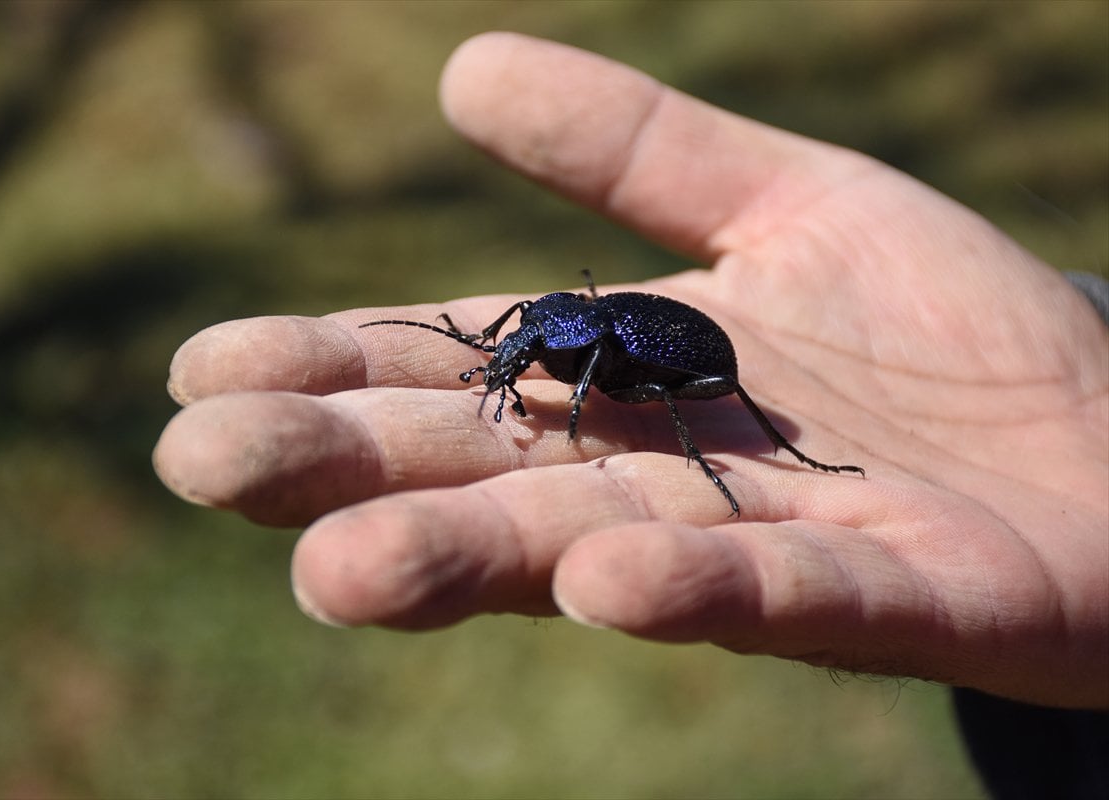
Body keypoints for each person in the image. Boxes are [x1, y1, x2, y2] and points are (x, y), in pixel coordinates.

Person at [153, 31, 1107, 792]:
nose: (516, 363)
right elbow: (536, 329)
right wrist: (505, 358)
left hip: (698, 361)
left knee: (697, 398)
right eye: (516, 356)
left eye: (525, 356)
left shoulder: (606, 355)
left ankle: (753, 457)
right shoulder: (560, 330)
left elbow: (642, 363)